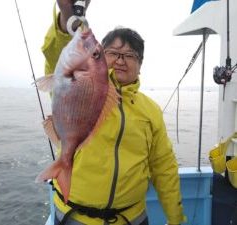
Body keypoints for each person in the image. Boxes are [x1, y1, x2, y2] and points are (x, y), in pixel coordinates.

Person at [41, 1, 186, 225]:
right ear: (99, 57)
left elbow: (163, 166)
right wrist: (67, 17)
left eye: (130, 55)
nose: (120, 60)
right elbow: (57, 51)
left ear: (140, 64)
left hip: (131, 218)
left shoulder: (151, 110)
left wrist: (176, 219)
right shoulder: (78, 78)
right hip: (74, 217)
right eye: (112, 53)